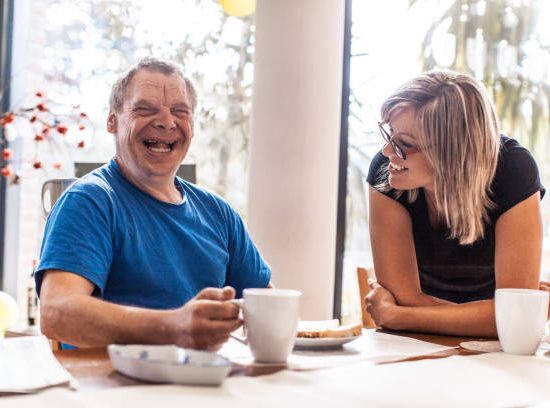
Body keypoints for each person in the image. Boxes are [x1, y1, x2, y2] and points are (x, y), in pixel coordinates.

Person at [36, 58, 271, 350]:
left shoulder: (219, 214)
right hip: (113, 390)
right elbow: (57, 313)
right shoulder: (90, 201)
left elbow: (270, 305)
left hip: (204, 384)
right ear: (113, 120)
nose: (165, 121)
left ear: (193, 126)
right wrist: (173, 327)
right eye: (145, 110)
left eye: (179, 111)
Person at [365, 70, 545, 338]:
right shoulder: (387, 173)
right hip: (416, 339)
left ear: (451, 151)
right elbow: (512, 317)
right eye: (389, 133)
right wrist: (492, 317)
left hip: (494, 351)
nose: (387, 151)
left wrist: (397, 315)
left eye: (404, 143)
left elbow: (516, 316)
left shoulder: (514, 170)